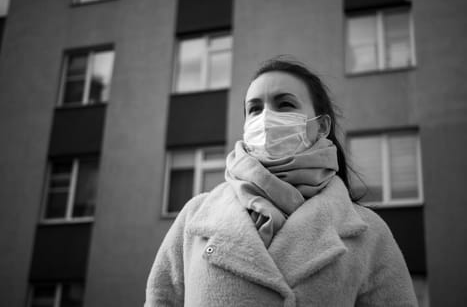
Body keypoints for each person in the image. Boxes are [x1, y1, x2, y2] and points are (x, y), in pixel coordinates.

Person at [144, 58, 418, 307]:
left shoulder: (368, 232)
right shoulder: (195, 218)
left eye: (284, 104)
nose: (265, 118)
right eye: (254, 109)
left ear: (321, 126)